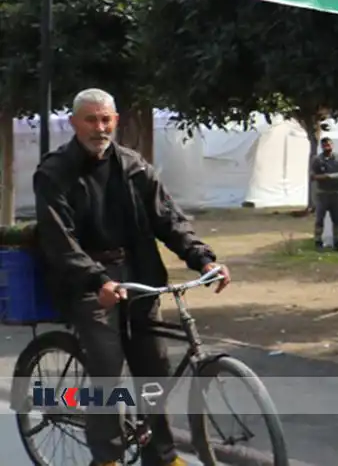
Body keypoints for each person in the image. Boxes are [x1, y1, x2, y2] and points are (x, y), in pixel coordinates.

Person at [33, 88, 231, 466]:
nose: (99, 127)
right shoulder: (54, 172)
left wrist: (203, 260)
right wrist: (97, 281)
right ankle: (106, 458)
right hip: (86, 281)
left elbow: (168, 219)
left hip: (138, 275)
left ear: (116, 121)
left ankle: (162, 454)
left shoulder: (133, 166)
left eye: (106, 119)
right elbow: (60, 241)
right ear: (74, 123)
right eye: (90, 119)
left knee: (154, 365)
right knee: (107, 368)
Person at [310, 136, 338, 250]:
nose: (328, 147)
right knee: (320, 218)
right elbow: (313, 176)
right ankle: (318, 241)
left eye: (329, 144)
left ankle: (337, 242)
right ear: (322, 147)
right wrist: (326, 177)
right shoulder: (318, 160)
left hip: (335, 193)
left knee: (337, 219)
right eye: (325, 145)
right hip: (323, 193)